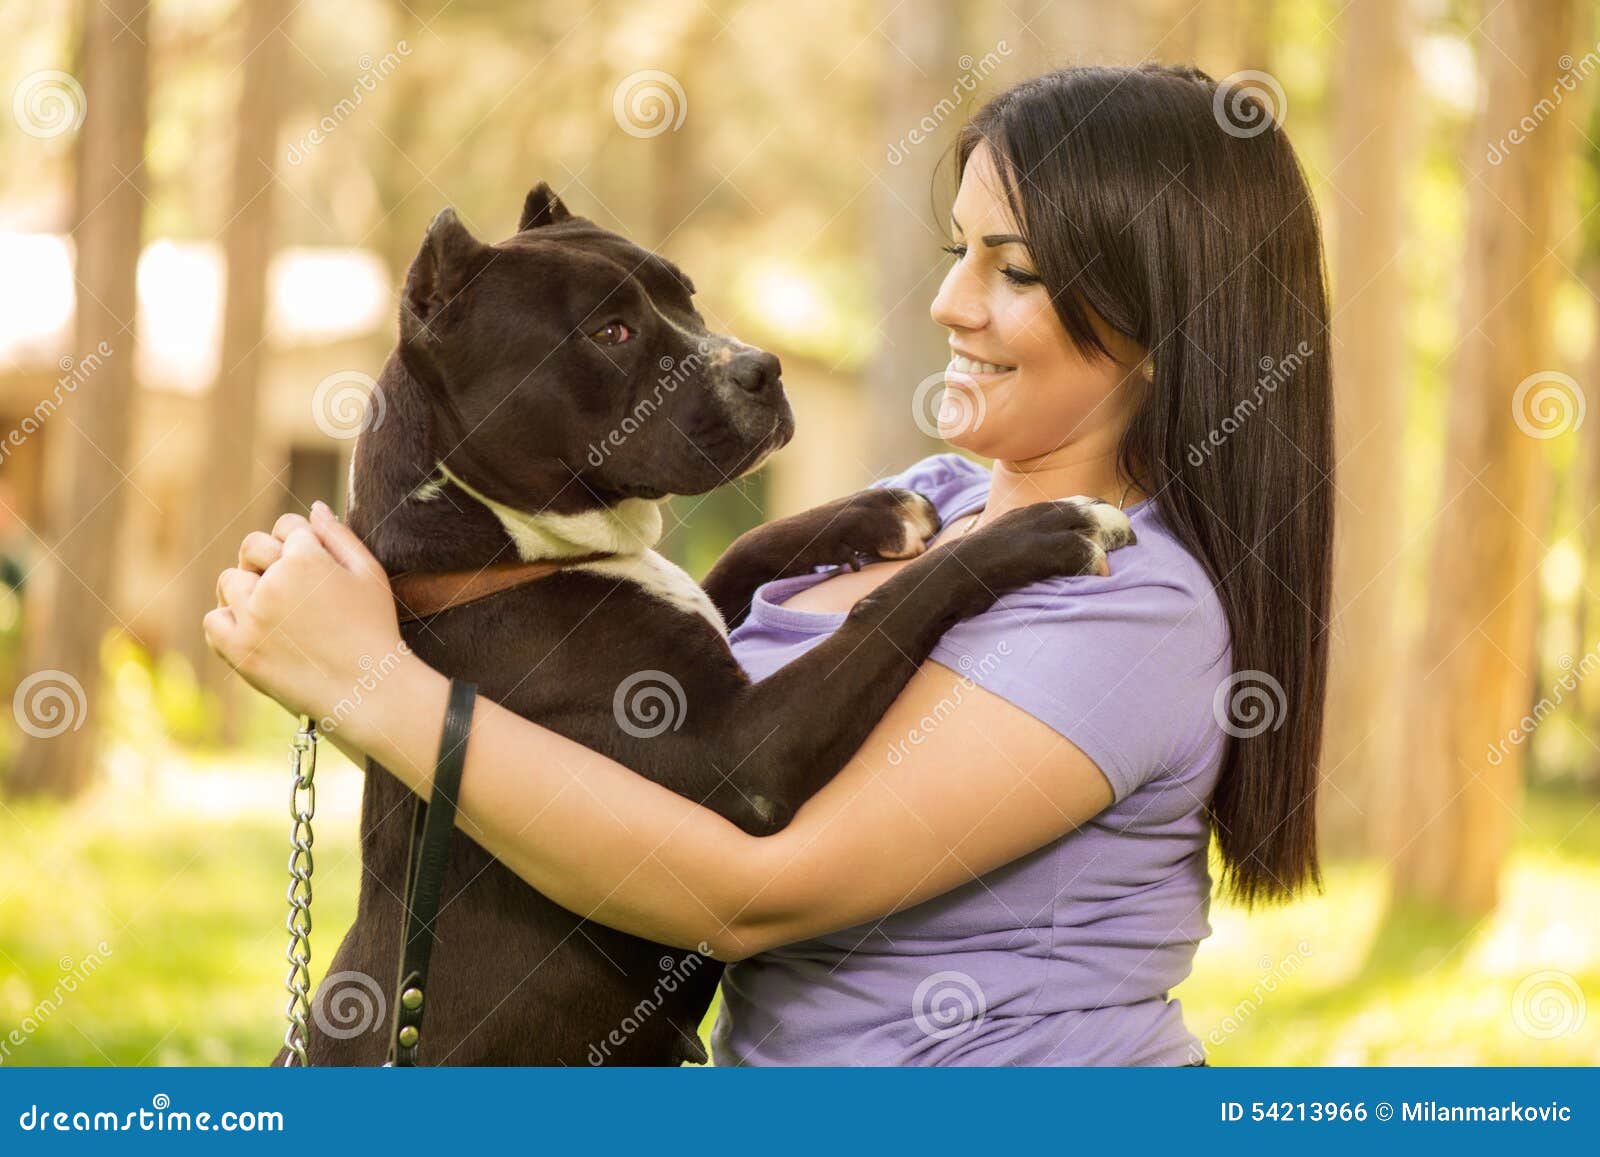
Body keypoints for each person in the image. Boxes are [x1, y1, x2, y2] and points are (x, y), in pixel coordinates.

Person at [206, 63, 1333, 1065]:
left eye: (1016, 268)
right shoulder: (932, 502)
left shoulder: (1129, 604)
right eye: (956, 252)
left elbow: (744, 891)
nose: (948, 302)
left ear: (1164, 314)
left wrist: (372, 682)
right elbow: (637, 707)